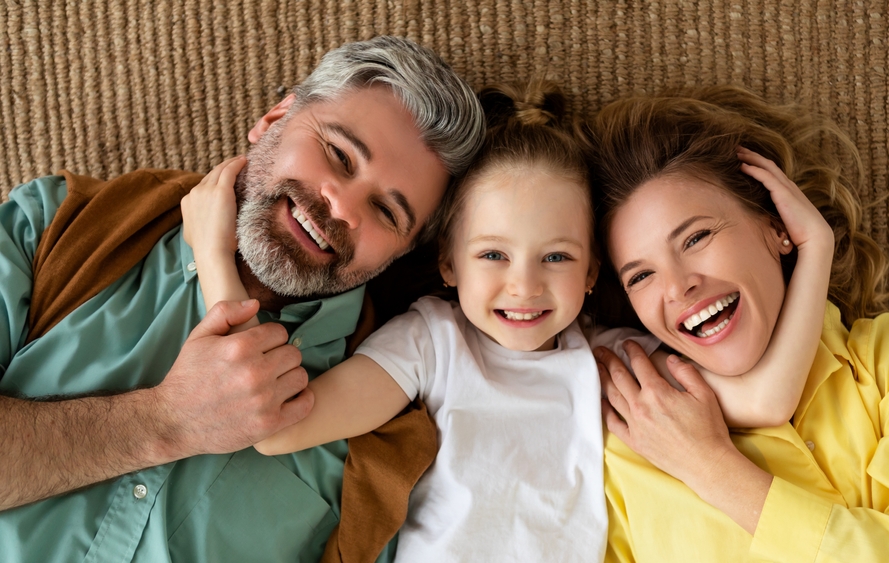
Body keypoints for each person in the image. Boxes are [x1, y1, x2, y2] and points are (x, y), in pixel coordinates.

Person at [184, 79, 836, 562]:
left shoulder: (607, 361)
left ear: (590, 276)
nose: (523, 285)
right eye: (493, 254)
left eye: (556, 256)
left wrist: (815, 250)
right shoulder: (431, 342)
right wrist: (216, 257)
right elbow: (275, 425)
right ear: (448, 263)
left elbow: (768, 398)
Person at [0, 36, 484, 562]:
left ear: (405, 252)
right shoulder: (51, 227)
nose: (341, 206)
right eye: (339, 155)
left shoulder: (378, 436)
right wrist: (167, 421)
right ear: (275, 119)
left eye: (387, 213)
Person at [587, 85, 889, 561]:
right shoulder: (627, 444)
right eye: (641, 275)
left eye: (696, 237)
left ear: (777, 226)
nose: (679, 287)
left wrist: (713, 469)